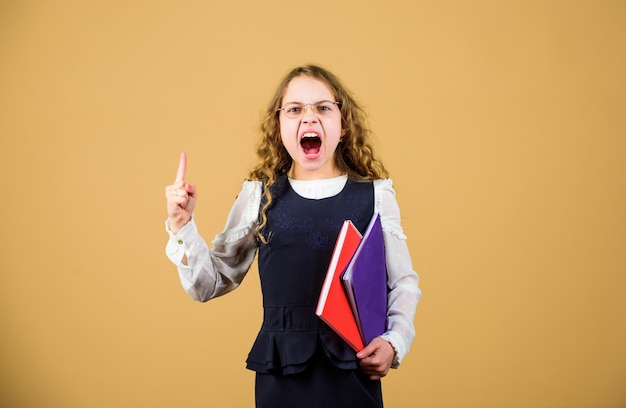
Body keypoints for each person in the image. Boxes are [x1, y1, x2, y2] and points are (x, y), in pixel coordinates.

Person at [164, 64, 421, 408]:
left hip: (353, 371)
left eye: (323, 108)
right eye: (295, 109)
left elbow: (402, 283)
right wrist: (183, 226)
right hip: (280, 374)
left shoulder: (376, 195)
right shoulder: (259, 196)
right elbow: (209, 283)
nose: (309, 118)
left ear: (343, 126)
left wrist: (395, 342)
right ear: (279, 126)